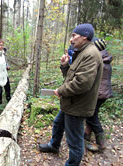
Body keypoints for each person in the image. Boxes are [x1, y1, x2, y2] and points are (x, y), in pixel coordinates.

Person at [39, 23, 103, 166]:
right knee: (58, 123)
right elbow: (71, 77)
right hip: (71, 102)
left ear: (84, 37)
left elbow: (82, 83)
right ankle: (54, 145)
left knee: (74, 140)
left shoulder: (90, 55)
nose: (71, 39)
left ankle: (72, 163)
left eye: (74, 35)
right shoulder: (81, 52)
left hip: (78, 105)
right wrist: (65, 65)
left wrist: (61, 91)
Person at [85, 38, 113, 152]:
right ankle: (86, 134)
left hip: (99, 94)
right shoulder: (105, 59)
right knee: (92, 114)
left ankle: (101, 144)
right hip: (103, 93)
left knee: (91, 116)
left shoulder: (98, 60)